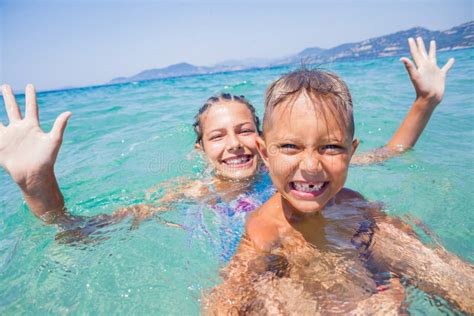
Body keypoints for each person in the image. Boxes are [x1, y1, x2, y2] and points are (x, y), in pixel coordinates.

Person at [0, 38, 452, 234]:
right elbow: (81, 231)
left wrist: (424, 102)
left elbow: (390, 153)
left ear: (263, 142)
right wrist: (38, 186)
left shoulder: (299, 170)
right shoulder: (187, 194)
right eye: (217, 137)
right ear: (201, 150)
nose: (233, 143)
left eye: (243, 131)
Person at [204, 45, 473, 314]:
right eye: (289, 146)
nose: (311, 166)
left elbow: (390, 153)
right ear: (266, 152)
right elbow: (228, 301)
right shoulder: (264, 231)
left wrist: (425, 102)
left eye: (331, 147)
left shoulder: (355, 204)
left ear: (350, 153)